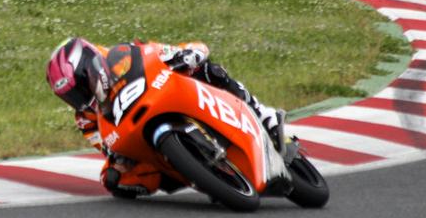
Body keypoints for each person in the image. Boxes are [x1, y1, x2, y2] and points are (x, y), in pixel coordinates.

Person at [45, 37, 286, 197]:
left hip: (165, 91)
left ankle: (262, 113)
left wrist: (184, 55)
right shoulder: (84, 117)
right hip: (139, 133)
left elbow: (155, 51)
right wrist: (116, 157)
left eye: (79, 88)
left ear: (91, 67)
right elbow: (103, 145)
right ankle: (198, 173)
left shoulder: (119, 54)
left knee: (206, 68)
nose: (79, 98)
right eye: (71, 96)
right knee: (113, 179)